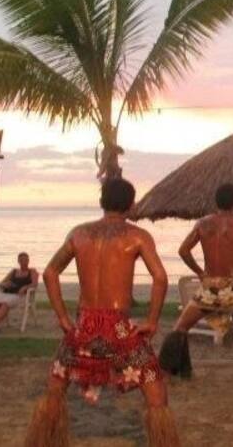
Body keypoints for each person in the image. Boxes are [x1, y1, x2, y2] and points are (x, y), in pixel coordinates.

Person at [25, 177, 179, 447]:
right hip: (118, 327)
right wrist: (152, 321)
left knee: (56, 388)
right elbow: (161, 279)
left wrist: (62, 318)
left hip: (83, 325)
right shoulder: (137, 236)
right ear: (131, 205)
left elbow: (50, 273)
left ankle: (43, 441)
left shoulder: (79, 233)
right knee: (155, 391)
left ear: (101, 202)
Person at [158, 184, 233, 382]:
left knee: (179, 328)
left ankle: (175, 374)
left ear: (216, 202)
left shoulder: (202, 224)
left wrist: (200, 272)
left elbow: (183, 251)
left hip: (210, 288)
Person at [0, 252, 40, 334]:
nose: (24, 262)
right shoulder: (14, 271)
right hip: (7, 293)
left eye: (26, 260)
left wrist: (25, 287)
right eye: (22, 260)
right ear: (18, 261)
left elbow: (35, 284)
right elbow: (2, 283)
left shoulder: (32, 271)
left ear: (28, 261)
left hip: (20, 295)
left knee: (6, 303)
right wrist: (6, 284)